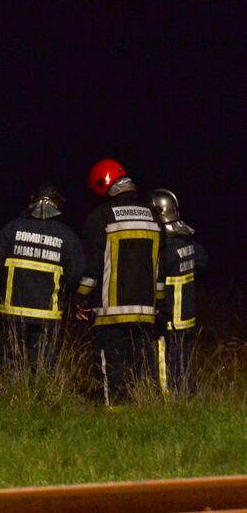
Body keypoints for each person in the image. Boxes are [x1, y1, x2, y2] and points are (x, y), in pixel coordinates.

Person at [76, 159, 165, 406]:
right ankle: (144, 412)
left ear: (102, 184)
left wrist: (81, 299)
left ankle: (113, 415)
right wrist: (158, 304)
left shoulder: (100, 216)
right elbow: (161, 267)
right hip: (146, 311)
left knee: (112, 368)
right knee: (142, 369)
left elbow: (91, 267)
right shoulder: (154, 217)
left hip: (110, 312)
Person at [0, 184, 85, 373]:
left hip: (12, 309)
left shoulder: (12, 228)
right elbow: (76, 273)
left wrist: (10, 280)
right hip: (47, 314)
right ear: (57, 204)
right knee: (45, 364)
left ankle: (11, 398)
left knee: (10, 360)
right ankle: (42, 399)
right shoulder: (66, 235)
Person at [148, 189, 208, 396]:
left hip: (170, 315)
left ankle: (166, 401)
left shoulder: (165, 245)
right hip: (188, 316)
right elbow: (202, 263)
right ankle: (186, 395)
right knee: (184, 361)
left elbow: (158, 279)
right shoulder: (187, 240)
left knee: (165, 360)